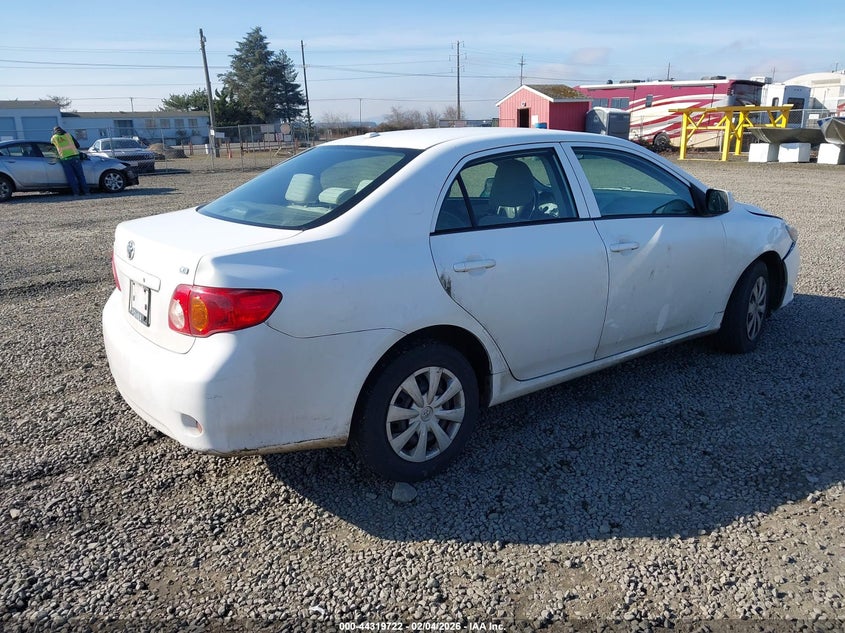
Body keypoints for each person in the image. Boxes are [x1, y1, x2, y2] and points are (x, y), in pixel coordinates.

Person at [50, 126, 90, 196]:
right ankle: (86, 192)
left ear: (54, 131)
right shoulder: (68, 135)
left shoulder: (54, 138)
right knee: (80, 176)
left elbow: (51, 146)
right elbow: (77, 145)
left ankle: (76, 193)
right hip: (75, 157)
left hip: (65, 159)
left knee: (71, 177)